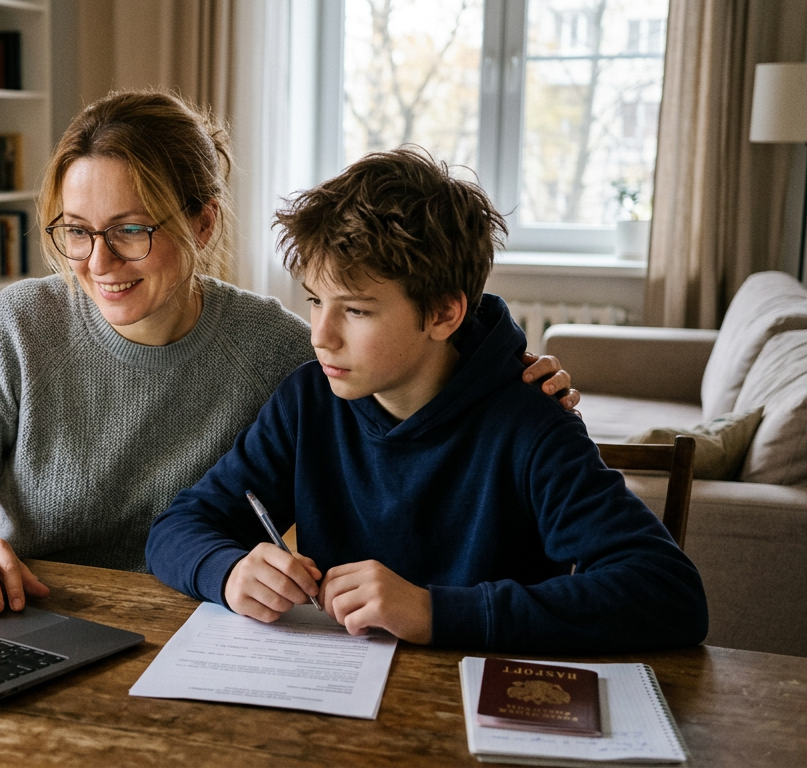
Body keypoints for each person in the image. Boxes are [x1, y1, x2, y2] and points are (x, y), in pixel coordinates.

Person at [0, 91, 578, 617]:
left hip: (193, 627)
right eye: (77, 231)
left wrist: (499, 374)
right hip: (24, 609)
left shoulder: (282, 350)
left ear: (203, 222)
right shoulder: (21, 321)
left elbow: (408, 372)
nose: (98, 261)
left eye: (131, 229)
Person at [145, 148, 708, 653]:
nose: (320, 334)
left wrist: (434, 612)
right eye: (316, 300)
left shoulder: (531, 422)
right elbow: (177, 527)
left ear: (443, 313)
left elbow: (667, 593)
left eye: (357, 310)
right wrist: (227, 571)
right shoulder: (308, 401)